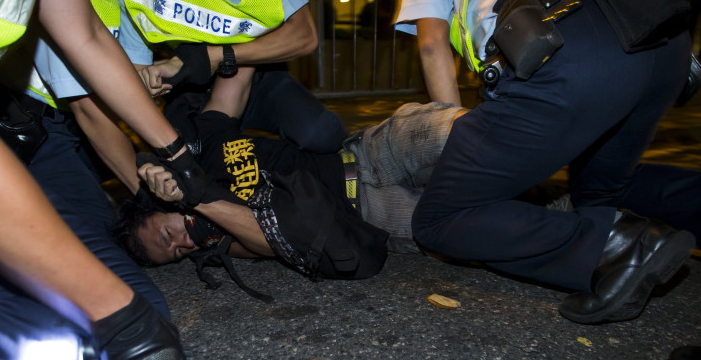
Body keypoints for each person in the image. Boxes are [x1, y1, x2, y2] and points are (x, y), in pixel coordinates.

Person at [393, 0, 701, 325]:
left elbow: (432, 41)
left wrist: (455, 148)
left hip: (563, 44)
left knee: (440, 219)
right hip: (661, 41)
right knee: (602, 194)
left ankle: (620, 246)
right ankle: (621, 229)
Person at [0, 0, 193, 360]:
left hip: (15, 128)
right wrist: (112, 309)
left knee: (127, 327)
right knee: (107, 329)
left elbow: (85, 35)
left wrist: (176, 156)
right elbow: (89, 106)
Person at [115, 103, 467, 275]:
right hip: (372, 214)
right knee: (471, 225)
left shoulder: (203, 146)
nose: (182, 244)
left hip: (364, 157)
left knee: (472, 134)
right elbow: (272, 244)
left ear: (157, 205)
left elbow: (233, 74)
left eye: (167, 235)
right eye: (177, 252)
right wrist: (202, 203)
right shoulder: (220, 239)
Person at [113, 0, 347, 153]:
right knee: (186, 158)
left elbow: (305, 35)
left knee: (322, 134)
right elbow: (139, 76)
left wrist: (220, 56)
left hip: (258, 72)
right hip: (186, 82)